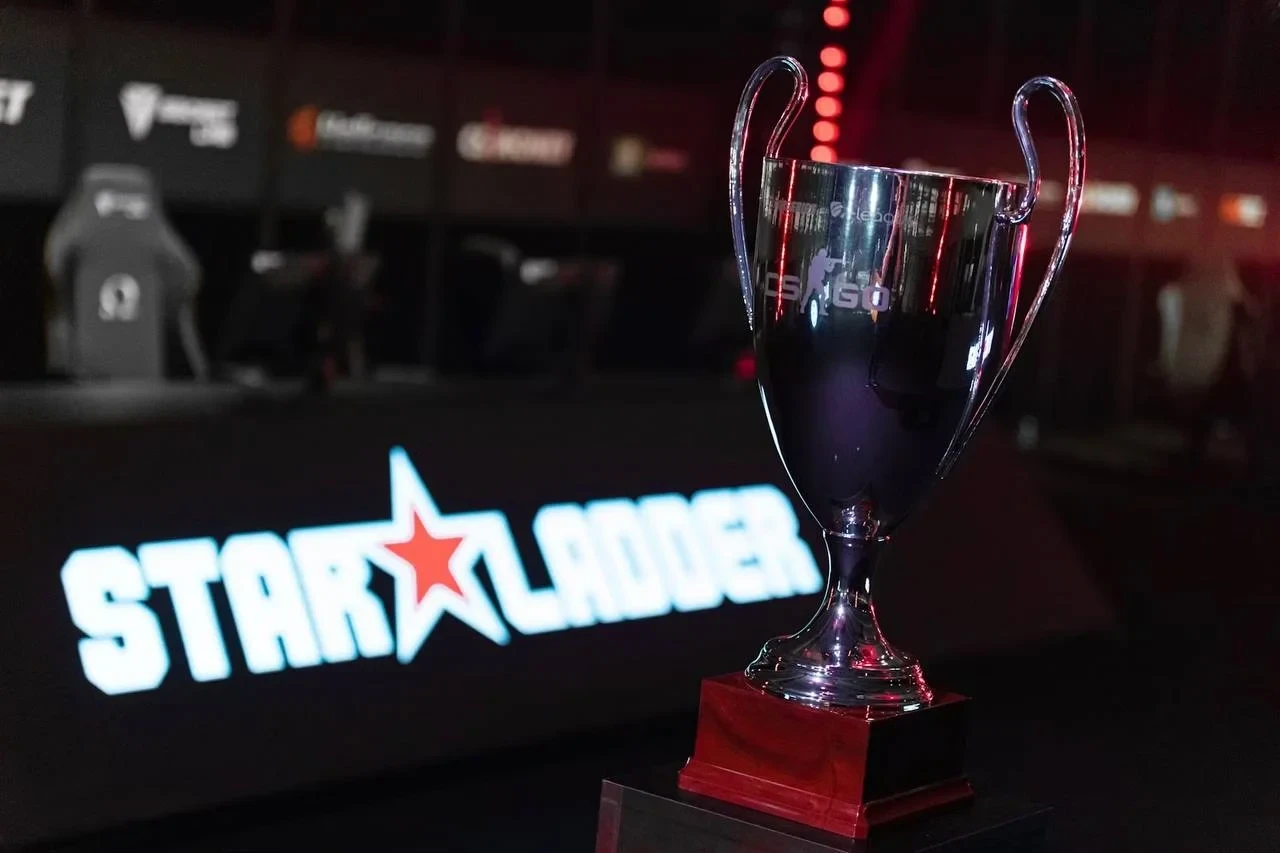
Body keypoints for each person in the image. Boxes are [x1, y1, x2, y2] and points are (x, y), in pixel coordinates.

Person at [1155, 253, 1261, 469]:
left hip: (1203, 358)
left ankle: (1193, 452)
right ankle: (1193, 453)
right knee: (1198, 401)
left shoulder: (1215, 273)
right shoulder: (1210, 274)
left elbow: (1244, 305)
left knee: (1200, 402)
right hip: (1201, 358)